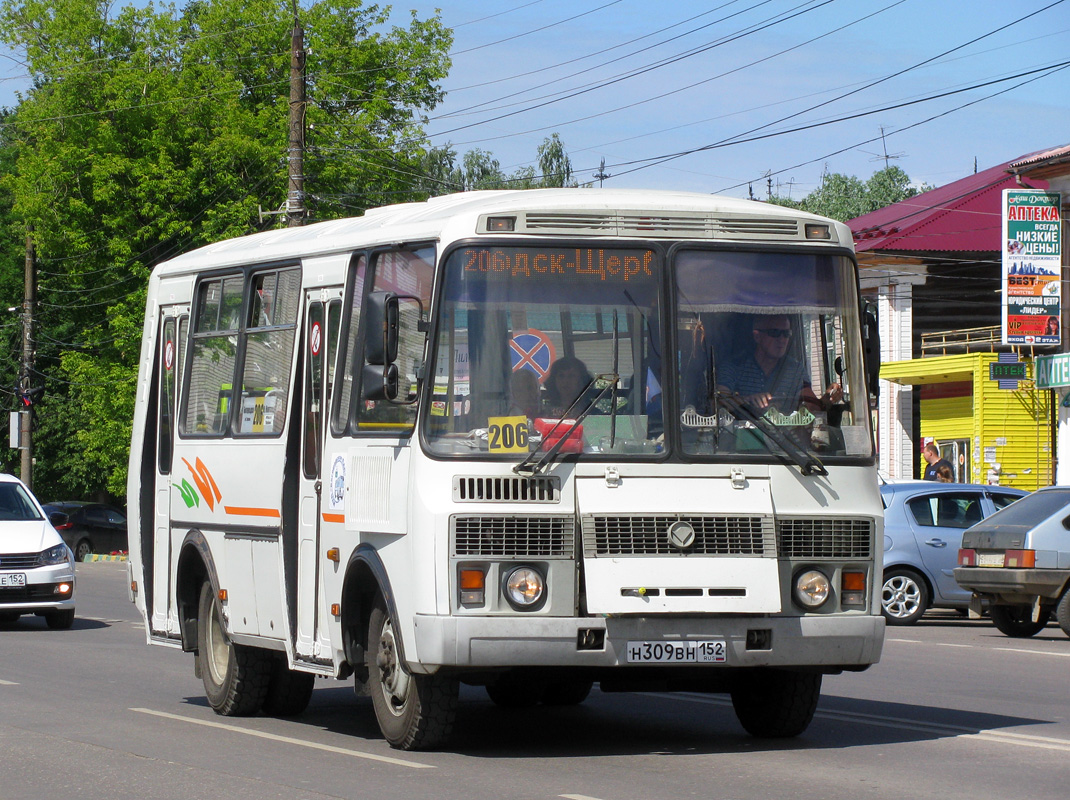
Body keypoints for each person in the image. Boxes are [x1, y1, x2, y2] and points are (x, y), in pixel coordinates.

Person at [717, 314, 841, 413]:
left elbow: (812, 406)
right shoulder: (734, 366)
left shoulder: (795, 369)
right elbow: (719, 401)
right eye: (775, 333)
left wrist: (827, 399)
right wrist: (748, 400)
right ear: (757, 336)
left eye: (786, 334)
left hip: (785, 442)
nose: (782, 340)